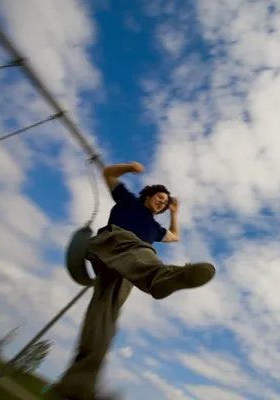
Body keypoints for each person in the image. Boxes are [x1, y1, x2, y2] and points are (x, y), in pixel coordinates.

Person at [51, 161, 216, 400]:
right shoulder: (129, 202)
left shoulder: (155, 228)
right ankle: (162, 277)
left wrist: (175, 213)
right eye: (160, 197)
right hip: (111, 244)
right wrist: (129, 167)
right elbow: (108, 174)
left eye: (165, 202)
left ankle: (78, 382)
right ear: (148, 196)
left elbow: (175, 236)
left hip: (127, 270)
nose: (162, 202)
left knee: (105, 318)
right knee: (141, 250)